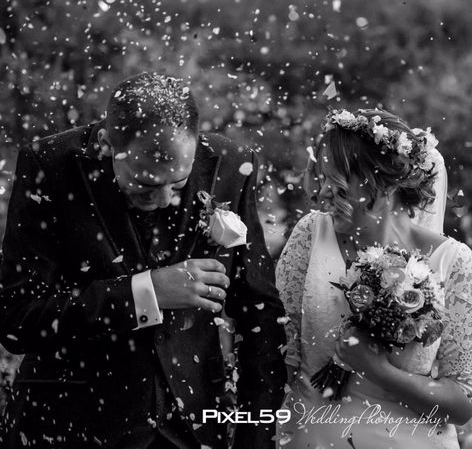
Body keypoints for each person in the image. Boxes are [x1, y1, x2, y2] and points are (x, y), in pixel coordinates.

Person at [0, 73, 287, 448]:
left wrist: (255, 434)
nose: (167, 198)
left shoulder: (232, 165)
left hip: (195, 427)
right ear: (107, 144)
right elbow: (17, 318)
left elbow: (259, 315)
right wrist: (144, 293)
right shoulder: (49, 166)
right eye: (147, 184)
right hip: (71, 426)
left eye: (179, 184)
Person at [275, 108, 472, 448]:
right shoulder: (310, 235)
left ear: (384, 181)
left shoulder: (454, 261)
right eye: (323, 179)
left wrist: (380, 371)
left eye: (339, 179)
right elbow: (277, 356)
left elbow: (461, 403)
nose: (325, 193)